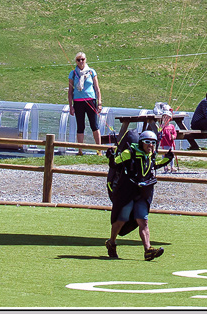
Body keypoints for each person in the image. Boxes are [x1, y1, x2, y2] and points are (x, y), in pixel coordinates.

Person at [104, 130, 172, 261]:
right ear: (141, 143)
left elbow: (153, 166)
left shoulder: (150, 156)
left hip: (142, 194)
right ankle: (111, 242)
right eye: (147, 142)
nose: (150, 145)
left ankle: (148, 250)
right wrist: (111, 157)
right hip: (128, 192)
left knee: (143, 221)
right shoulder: (129, 153)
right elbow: (115, 164)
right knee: (121, 221)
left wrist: (167, 160)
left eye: (153, 143)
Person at [68, 52, 102, 155]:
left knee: (94, 125)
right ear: (76, 61)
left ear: (85, 60)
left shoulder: (91, 72)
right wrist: (71, 106)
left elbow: (97, 88)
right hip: (78, 102)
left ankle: (99, 150)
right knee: (80, 126)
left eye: (82, 59)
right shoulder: (73, 73)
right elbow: (70, 91)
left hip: (90, 100)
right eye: (78, 60)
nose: (81, 61)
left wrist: (99, 102)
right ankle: (80, 150)